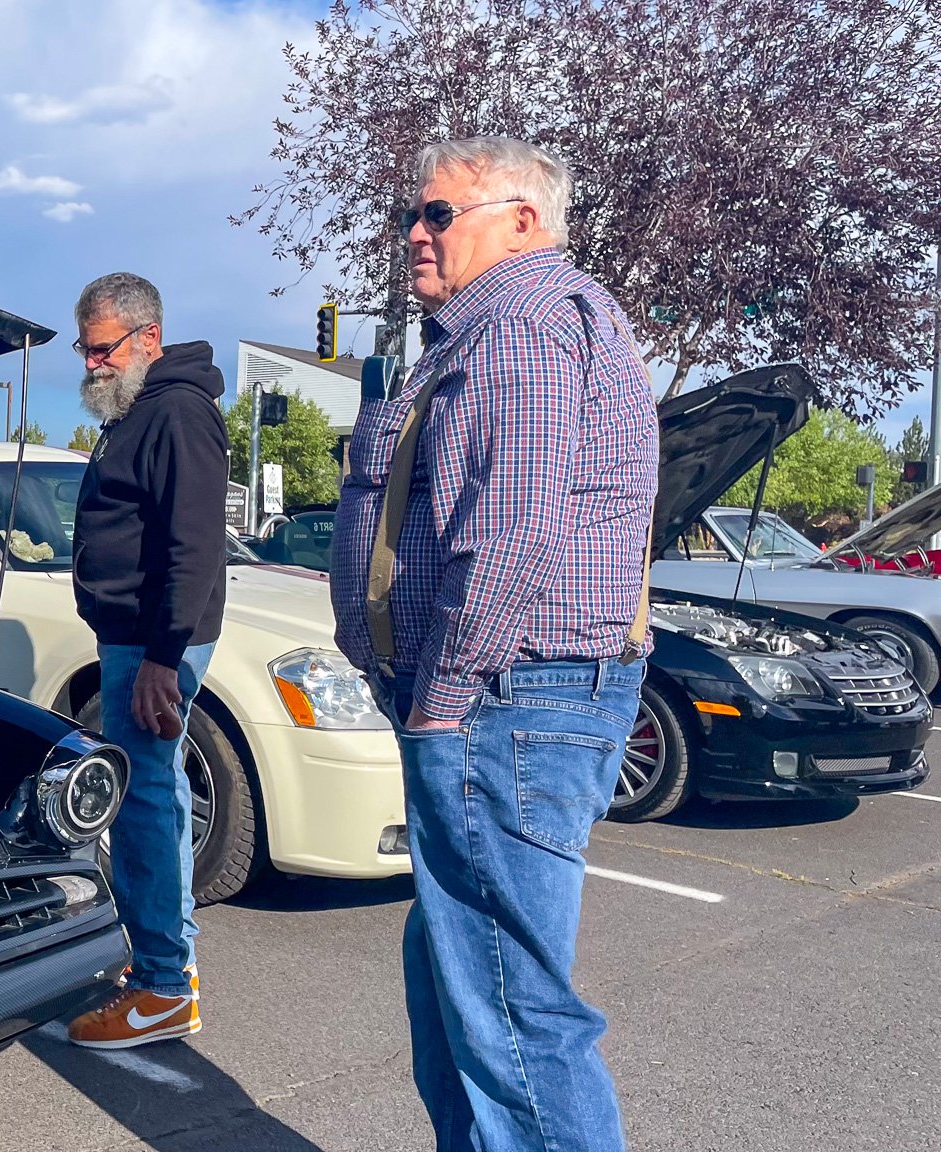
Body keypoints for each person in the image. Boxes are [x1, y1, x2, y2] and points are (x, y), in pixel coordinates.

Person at [331, 137, 658, 1150]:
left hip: (500, 701)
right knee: (458, 983)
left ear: (523, 221)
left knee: (511, 1013)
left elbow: (508, 530)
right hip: (508, 700)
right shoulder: (509, 326)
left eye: (438, 213)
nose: (414, 233)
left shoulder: (516, 324)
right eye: (410, 215)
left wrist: (442, 698)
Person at [62, 272, 229, 1050]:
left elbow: (195, 545)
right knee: (151, 795)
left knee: (143, 802)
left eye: (103, 349)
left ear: (148, 337)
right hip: (134, 637)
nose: (92, 363)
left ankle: (162, 986)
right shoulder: (136, 409)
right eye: (85, 349)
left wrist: (164, 656)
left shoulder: (179, 412)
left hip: (153, 643)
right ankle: (163, 968)